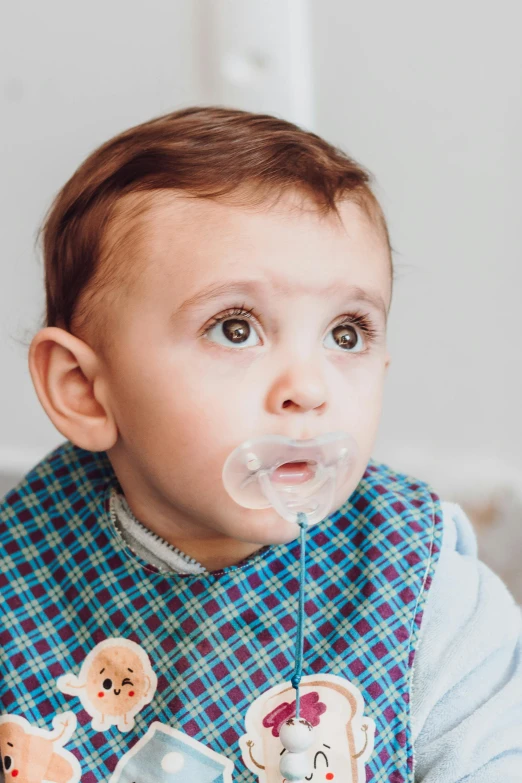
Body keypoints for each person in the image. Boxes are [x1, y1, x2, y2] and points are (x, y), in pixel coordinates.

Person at [1, 106, 520, 782]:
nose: (309, 386)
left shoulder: (431, 598)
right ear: (85, 390)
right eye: (236, 328)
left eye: (347, 333)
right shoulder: (23, 573)